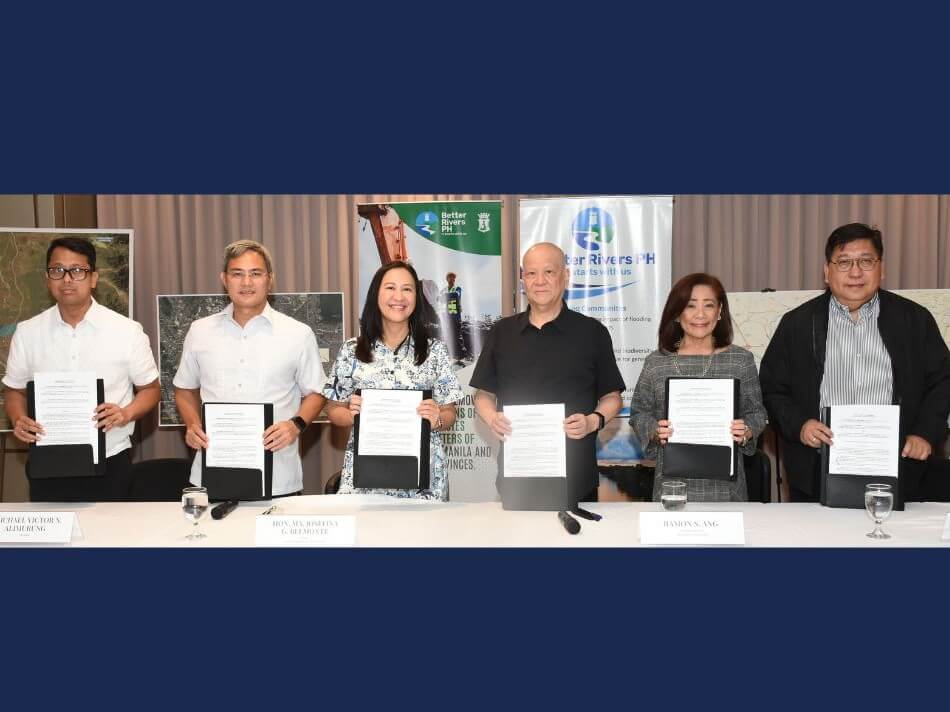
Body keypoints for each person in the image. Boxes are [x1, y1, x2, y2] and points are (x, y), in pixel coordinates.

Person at [760, 222, 950, 502]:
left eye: (866, 261)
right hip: (817, 470)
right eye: (844, 262)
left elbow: (942, 381)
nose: (856, 272)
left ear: (882, 268)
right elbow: (772, 388)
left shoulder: (914, 320)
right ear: (827, 272)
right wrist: (800, 424)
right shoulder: (797, 324)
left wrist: (924, 433)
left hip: (900, 467)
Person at [3, 236, 161, 501]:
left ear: (94, 278)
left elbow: (151, 390)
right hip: (48, 462)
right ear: (47, 277)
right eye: (57, 271)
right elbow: (13, 391)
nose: (66, 279)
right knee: (50, 542)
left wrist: (125, 413)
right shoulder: (28, 332)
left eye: (77, 271)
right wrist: (19, 419)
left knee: (110, 540)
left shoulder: (126, 331)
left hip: (110, 461)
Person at [470, 241, 624, 505]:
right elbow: (483, 395)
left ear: (565, 276)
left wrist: (593, 421)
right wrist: (491, 417)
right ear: (522, 279)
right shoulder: (501, 333)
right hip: (517, 478)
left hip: (577, 480)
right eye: (531, 273)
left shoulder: (592, 332)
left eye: (549, 272)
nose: (539, 281)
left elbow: (613, 397)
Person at [173, 240, 326, 497]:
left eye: (255, 274)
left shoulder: (298, 334)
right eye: (237, 274)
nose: (246, 283)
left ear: (270, 279)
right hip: (213, 472)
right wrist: (191, 425)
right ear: (224, 279)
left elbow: (317, 392)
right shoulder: (200, 331)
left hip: (278, 476)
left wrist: (295, 425)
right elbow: (184, 388)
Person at [323, 261, 463, 500]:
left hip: (424, 479)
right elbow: (333, 409)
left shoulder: (435, 351)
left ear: (416, 298)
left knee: (424, 537)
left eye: (407, 289)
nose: (399, 296)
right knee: (366, 536)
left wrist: (437, 418)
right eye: (390, 288)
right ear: (376, 294)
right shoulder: (351, 350)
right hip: (365, 477)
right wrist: (349, 414)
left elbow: (450, 412)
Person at [630, 273, 767, 501]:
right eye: (690, 306)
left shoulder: (740, 360)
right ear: (677, 312)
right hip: (672, 485)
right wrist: (655, 430)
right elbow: (638, 413)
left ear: (720, 311)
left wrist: (747, 431)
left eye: (709, 305)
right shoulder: (657, 362)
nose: (700, 314)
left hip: (725, 487)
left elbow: (757, 413)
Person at [442, 271, 465, 364]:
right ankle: (451, 356)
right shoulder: (444, 290)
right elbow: (438, 299)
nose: (452, 279)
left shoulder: (457, 289)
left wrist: (444, 296)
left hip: (455, 316)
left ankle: (461, 357)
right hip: (447, 316)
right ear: (447, 279)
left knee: (457, 335)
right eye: (450, 277)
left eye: (453, 278)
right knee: (449, 336)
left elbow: (456, 295)